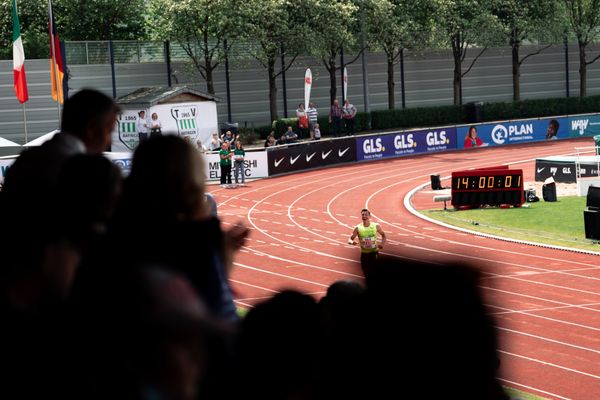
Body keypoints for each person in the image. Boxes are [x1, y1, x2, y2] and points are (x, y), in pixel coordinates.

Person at [348, 209, 386, 278]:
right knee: (366, 275)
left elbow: (383, 235)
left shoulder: (376, 226)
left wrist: (382, 244)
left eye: (366, 215)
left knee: (376, 273)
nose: (364, 216)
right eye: (363, 215)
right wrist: (351, 242)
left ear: (369, 216)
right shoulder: (358, 228)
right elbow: (350, 239)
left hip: (374, 254)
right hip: (364, 255)